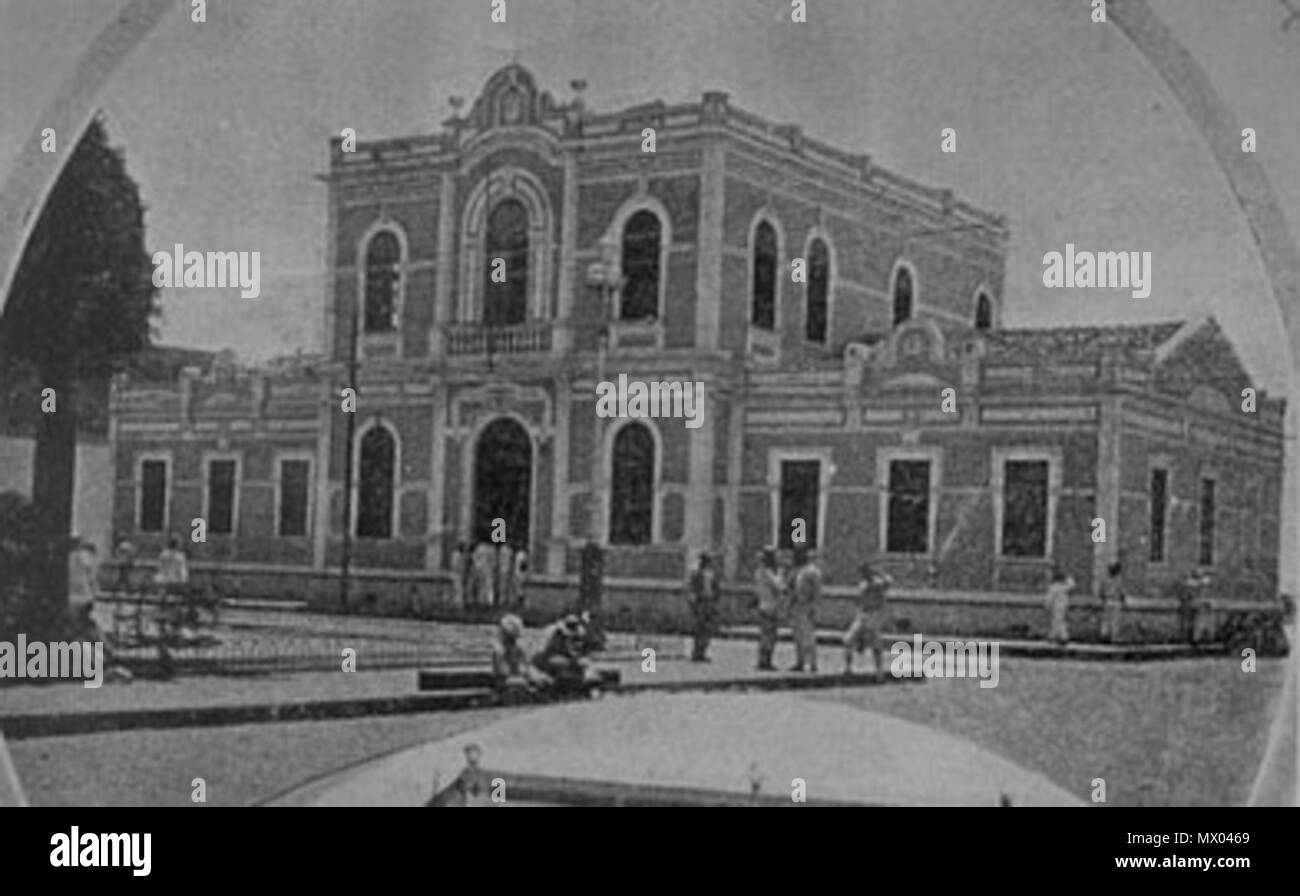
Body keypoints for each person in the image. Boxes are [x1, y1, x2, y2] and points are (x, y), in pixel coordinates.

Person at [844, 562, 892, 680]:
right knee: (848, 640)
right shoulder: (862, 585)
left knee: (876, 643)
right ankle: (848, 668)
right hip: (863, 614)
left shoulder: (878, 583)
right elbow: (860, 601)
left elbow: (889, 581)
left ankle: (879, 671)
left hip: (875, 614)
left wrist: (879, 572)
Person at [531, 614, 602, 690]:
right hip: (545, 659)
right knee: (567, 664)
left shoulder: (570, 637)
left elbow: (573, 651)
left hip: (554, 658)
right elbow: (546, 652)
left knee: (579, 664)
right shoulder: (554, 635)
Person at [491, 613, 545, 699]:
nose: (515, 640)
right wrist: (523, 673)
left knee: (542, 679)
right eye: (511, 637)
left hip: (518, 676)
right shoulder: (499, 650)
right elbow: (502, 672)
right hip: (504, 680)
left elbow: (526, 664)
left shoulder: (519, 647)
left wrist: (534, 674)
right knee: (524, 683)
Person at [789, 548, 821, 673]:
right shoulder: (798, 571)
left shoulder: (812, 572)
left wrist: (814, 607)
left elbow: (816, 591)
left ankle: (813, 663)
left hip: (807, 606)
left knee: (808, 636)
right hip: (797, 605)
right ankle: (800, 661)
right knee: (798, 636)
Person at [754, 547, 784, 671]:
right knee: (770, 635)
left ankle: (763, 659)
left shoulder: (759, 572)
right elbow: (778, 587)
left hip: (763, 604)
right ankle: (765, 661)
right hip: (770, 606)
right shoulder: (767, 573)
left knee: (765, 634)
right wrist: (781, 574)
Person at [686, 552, 718, 662]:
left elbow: (715, 588)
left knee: (707, 629)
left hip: (709, 601)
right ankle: (697, 652)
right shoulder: (696, 573)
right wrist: (694, 603)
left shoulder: (711, 573)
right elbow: (692, 589)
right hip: (701, 601)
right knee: (700, 628)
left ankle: (702, 651)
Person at [1045, 567, 1075, 646]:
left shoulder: (1054, 587)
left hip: (1057, 606)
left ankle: (1056, 637)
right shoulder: (1064, 586)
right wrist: (1068, 577)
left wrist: (1047, 605)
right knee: (1059, 621)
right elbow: (1072, 584)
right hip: (1064, 605)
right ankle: (1060, 637)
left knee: (1058, 620)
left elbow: (1049, 597)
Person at [1098, 561, 1125, 644]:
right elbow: (1122, 593)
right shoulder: (1119, 580)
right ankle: (1114, 637)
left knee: (1106, 620)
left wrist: (1103, 600)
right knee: (1115, 620)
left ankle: (1104, 635)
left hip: (1107, 600)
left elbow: (1101, 592)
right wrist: (1122, 600)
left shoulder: (1105, 580)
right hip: (1116, 601)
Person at [496, 543, 516, 607]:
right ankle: (503, 601)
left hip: (506, 569)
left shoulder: (505, 549)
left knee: (506, 586)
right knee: (503, 585)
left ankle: (504, 601)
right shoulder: (505, 549)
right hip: (504, 569)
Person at [450, 540, 468, 607]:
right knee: (457, 590)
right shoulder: (456, 554)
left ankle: (458, 604)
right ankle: (457, 605)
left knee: (459, 590)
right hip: (456, 574)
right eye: (463, 547)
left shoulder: (460, 554)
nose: (464, 549)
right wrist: (460, 570)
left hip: (459, 574)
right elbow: (455, 565)